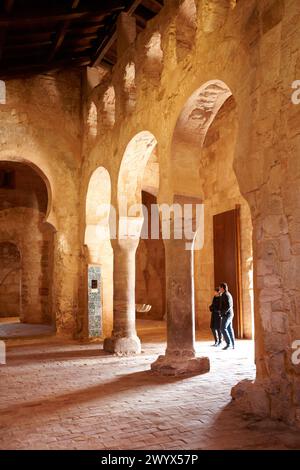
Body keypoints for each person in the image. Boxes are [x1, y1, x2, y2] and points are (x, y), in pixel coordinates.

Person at [219, 282, 235, 350]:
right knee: (229, 329)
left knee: (223, 328)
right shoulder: (225, 294)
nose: (219, 288)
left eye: (220, 287)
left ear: (222, 287)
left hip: (227, 315)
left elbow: (228, 306)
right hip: (228, 314)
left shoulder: (226, 295)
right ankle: (232, 344)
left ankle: (229, 344)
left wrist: (222, 313)